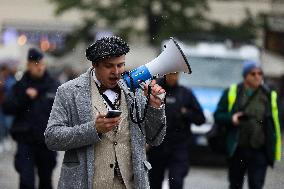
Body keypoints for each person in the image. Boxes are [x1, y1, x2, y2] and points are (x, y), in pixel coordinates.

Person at [44, 36, 166, 189]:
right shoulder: (68, 91)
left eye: (120, 65)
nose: (116, 72)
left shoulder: (136, 90)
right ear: (95, 65)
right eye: (109, 66)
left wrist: (155, 108)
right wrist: (93, 129)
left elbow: (156, 139)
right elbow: (52, 138)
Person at [214, 60, 282, 189]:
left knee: (256, 185)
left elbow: (277, 124)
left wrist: (272, 149)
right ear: (245, 76)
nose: (257, 76)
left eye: (260, 73)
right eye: (253, 73)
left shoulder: (269, 95)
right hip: (238, 149)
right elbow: (218, 115)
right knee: (235, 185)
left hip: (259, 151)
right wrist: (231, 119)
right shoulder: (232, 92)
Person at [3, 48, 59, 189]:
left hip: (47, 142)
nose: (39, 67)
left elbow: (63, 112)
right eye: (35, 64)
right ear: (28, 65)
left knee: (46, 182)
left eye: (41, 63)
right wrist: (25, 97)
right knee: (26, 182)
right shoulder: (20, 86)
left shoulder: (53, 85)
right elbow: (7, 108)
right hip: (25, 141)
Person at [147, 72, 205, 189]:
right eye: (171, 74)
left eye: (176, 74)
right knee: (154, 182)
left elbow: (200, 119)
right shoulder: (154, 91)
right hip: (157, 146)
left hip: (178, 146)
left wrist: (186, 113)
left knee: (176, 181)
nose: (174, 77)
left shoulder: (185, 94)